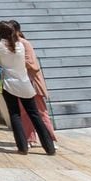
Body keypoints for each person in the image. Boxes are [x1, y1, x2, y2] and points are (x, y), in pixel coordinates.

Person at [0, 21, 55, 156]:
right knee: (35, 114)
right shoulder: (21, 45)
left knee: (15, 115)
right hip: (25, 83)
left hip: (8, 84)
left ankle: (22, 147)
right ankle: (49, 147)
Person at [8, 20, 55, 148]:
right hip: (19, 82)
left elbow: (32, 64)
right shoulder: (10, 44)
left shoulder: (24, 43)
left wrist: (14, 63)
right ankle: (29, 138)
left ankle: (49, 138)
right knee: (23, 112)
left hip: (32, 82)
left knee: (40, 112)